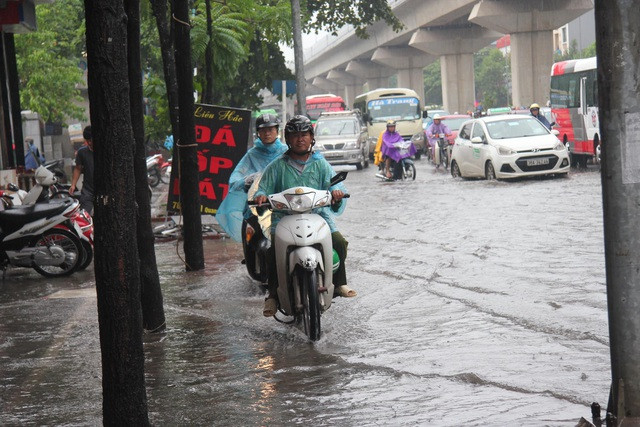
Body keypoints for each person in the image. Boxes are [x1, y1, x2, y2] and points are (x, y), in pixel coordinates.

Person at [253, 115, 356, 317]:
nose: (300, 139)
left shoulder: (321, 164)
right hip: (283, 220)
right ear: (288, 139)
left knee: (339, 243)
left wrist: (336, 192)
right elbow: (261, 190)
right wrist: (261, 197)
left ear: (311, 138)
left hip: (319, 217)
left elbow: (336, 184)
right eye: (295, 135)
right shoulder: (276, 166)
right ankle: (273, 295)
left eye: (305, 135)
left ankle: (339, 283)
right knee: (271, 253)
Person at [216, 113, 287, 241]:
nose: (267, 133)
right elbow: (235, 178)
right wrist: (247, 180)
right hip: (259, 204)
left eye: (270, 129)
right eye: (263, 130)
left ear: (277, 130)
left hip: (285, 204)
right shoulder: (252, 155)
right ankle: (252, 258)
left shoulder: (286, 152)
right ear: (258, 133)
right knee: (252, 237)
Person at [69, 126, 94, 214]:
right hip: (88, 191)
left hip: (103, 191)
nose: (90, 142)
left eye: (91, 140)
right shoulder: (82, 152)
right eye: (88, 140)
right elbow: (78, 168)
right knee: (85, 214)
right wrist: (73, 185)